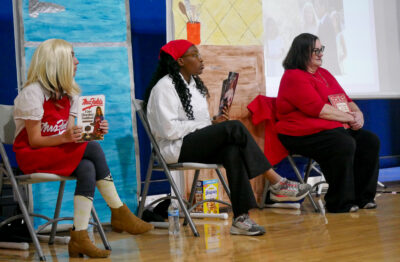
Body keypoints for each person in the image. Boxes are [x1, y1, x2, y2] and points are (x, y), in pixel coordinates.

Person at [144, 39, 311, 236]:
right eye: (195, 55)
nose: (201, 59)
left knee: (232, 149)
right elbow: (168, 129)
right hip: (174, 148)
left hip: (192, 143)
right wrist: (210, 125)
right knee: (235, 128)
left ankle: (241, 218)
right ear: (180, 61)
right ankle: (276, 182)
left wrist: (213, 121)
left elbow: (200, 123)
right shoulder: (164, 87)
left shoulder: (194, 86)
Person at [12, 39, 153, 258]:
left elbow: (70, 136)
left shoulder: (71, 94)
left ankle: (79, 237)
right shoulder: (32, 93)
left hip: (56, 151)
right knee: (93, 148)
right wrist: (68, 137)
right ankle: (119, 210)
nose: (77, 61)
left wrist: (92, 130)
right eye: (72, 57)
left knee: (87, 166)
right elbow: (35, 141)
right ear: (57, 62)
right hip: (33, 155)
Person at [276, 33, 380, 213]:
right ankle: (339, 201)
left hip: (329, 128)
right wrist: (349, 118)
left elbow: (346, 99)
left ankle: (363, 197)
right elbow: (317, 109)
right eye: (315, 50)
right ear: (302, 52)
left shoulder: (324, 73)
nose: (320, 54)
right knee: (342, 142)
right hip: (299, 134)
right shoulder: (293, 76)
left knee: (369, 140)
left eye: (321, 49)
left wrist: (358, 113)